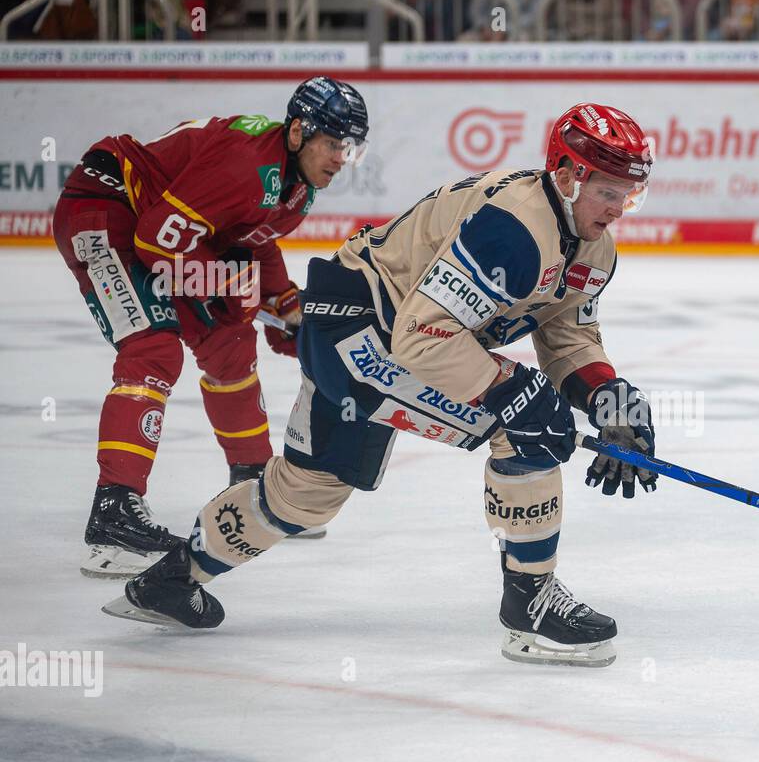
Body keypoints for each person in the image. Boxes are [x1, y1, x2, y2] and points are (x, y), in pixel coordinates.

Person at [102, 103, 659, 669]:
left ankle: (169, 581)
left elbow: (567, 338)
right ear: (565, 176)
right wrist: (511, 390)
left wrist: (609, 400)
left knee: (307, 493)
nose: (617, 211)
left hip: (350, 320)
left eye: (629, 196)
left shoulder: (592, 248)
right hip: (367, 333)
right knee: (530, 429)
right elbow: (424, 337)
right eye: (607, 192)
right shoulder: (514, 228)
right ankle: (531, 608)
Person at [54, 76, 369, 578]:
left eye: (348, 147)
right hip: (105, 208)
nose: (340, 158)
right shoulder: (249, 163)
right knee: (153, 348)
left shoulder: (296, 186)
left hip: (154, 230)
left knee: (232, 342)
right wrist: (227, 287)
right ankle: (113, 509)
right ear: (297, 133)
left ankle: (253, 486)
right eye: (332, 143)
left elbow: (251, 241)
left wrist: (285, 306)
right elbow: (158, 239)